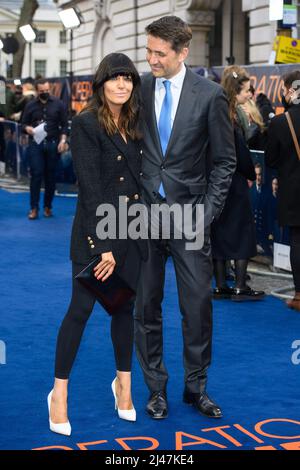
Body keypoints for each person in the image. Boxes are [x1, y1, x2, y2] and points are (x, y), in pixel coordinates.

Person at [134, 16, 236, 420]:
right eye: (149, 51)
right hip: (140, 217)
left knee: (197, 308)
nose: (152, 59)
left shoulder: (210, 96)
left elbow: (225, 161)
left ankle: (196, 387)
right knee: (146, 307)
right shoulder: (137, 88)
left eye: (160, 53)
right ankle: (155, 388)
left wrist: (208, 212)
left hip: (190, 216)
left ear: (182, 53)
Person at [47, 53, 147, 436]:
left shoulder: (137, 122)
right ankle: (59, 394)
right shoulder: (86, 122)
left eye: (128, 79)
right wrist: (102, 243)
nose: (122, 85)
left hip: (135, 233)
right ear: (102, 82)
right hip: (97, 233)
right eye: (115, 78)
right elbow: (88, 186)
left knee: (125, 311)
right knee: (81, 310)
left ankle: (124, 385)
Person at [211, 66, 265, 301]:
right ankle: (240, 286)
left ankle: (221, 284)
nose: (250, 95)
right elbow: (239, 153)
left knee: (218, 230)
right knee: (243, 232)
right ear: (236, 91)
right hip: (233, 181)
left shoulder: (215, 111)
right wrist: (251, 174)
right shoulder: (230, 118)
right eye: (246, 91)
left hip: (214, 181)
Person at [265, 70, 300, 312]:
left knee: (297, 241)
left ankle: (299, 294)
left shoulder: (280, 122)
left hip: (293, 190)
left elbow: (271, 160)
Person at [22, 79, 68, 219]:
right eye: (42, 91)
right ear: (37, 91)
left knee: (50, 177)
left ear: (50, 89)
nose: (45, 93)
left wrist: (63, 140)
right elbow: (23, 124)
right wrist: (27, 128)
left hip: (53, 144)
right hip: (36, 144)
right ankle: (34, 208)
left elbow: (65, 125)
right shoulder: (30, 106)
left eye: (47, 91)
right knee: (36, 174)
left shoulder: (59, 104)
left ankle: (48, 207)